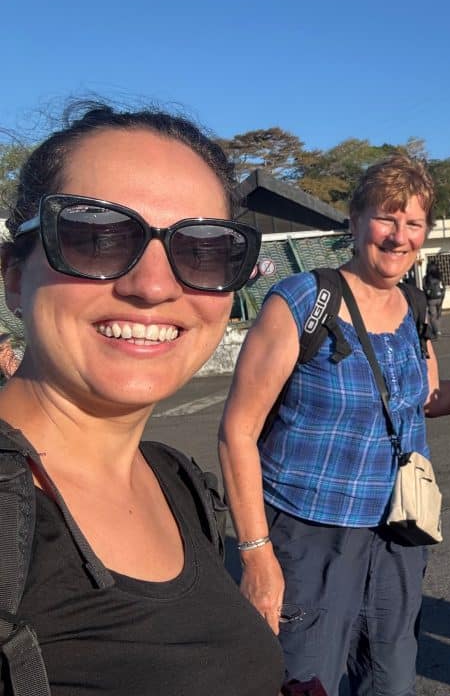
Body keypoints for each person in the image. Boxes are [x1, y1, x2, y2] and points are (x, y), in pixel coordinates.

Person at [0, 103, 281, 695]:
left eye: (204, 251)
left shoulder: (177, 482)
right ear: (14, 277)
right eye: (95, 238)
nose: (153, 286)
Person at [220, 154, 450, 696]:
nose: (399, 236)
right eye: (386, 218)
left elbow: (420, 399)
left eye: (414, 223)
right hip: (311, 533)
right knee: (308, 681)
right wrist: (256, 556)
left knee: (391, 682)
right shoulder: (305, 300)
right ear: (354, 221)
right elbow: (237, 430)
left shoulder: (415, 305)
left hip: (399, 531)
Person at [423, 261, 445, 338]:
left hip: (431, 299)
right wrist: (442, 297)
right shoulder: (439, 277)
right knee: (438, 314)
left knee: (432, 315)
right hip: (439, 297)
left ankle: (436, 331)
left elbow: (424, 288)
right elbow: (443, 287)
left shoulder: (426, 278)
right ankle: (438, 329)